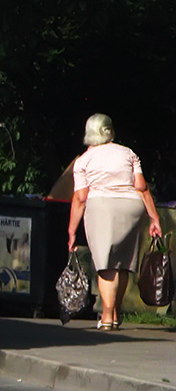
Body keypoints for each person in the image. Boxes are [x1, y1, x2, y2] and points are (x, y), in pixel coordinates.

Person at [67, 113, 163, 330]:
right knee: (123, 262)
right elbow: (142, 187)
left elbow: (81, 197)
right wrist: (154, 218)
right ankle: (117, 311)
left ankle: (108, 317)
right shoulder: (128, 153)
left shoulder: (83, 160)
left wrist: (72, 230)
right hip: (132, 207)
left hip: (102, 208)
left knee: (106, 264)